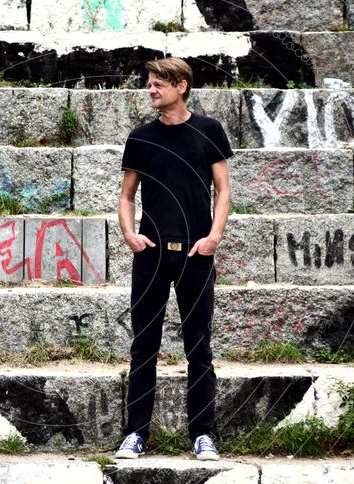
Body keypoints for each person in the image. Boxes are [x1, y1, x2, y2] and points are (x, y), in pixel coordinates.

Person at [115, 57, 232, 461]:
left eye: (158, 84)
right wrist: (130, 234)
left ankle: (202, 434)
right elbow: (127, 195)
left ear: (181, 86)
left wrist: (214, 237)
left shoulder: (208, 131)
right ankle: (136, 434)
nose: (150, 90)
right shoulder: (141, 137)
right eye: (149, 83)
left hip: (197, 254)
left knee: (198, 346)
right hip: (151, 256)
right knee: (143, 345)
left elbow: (223, 190)